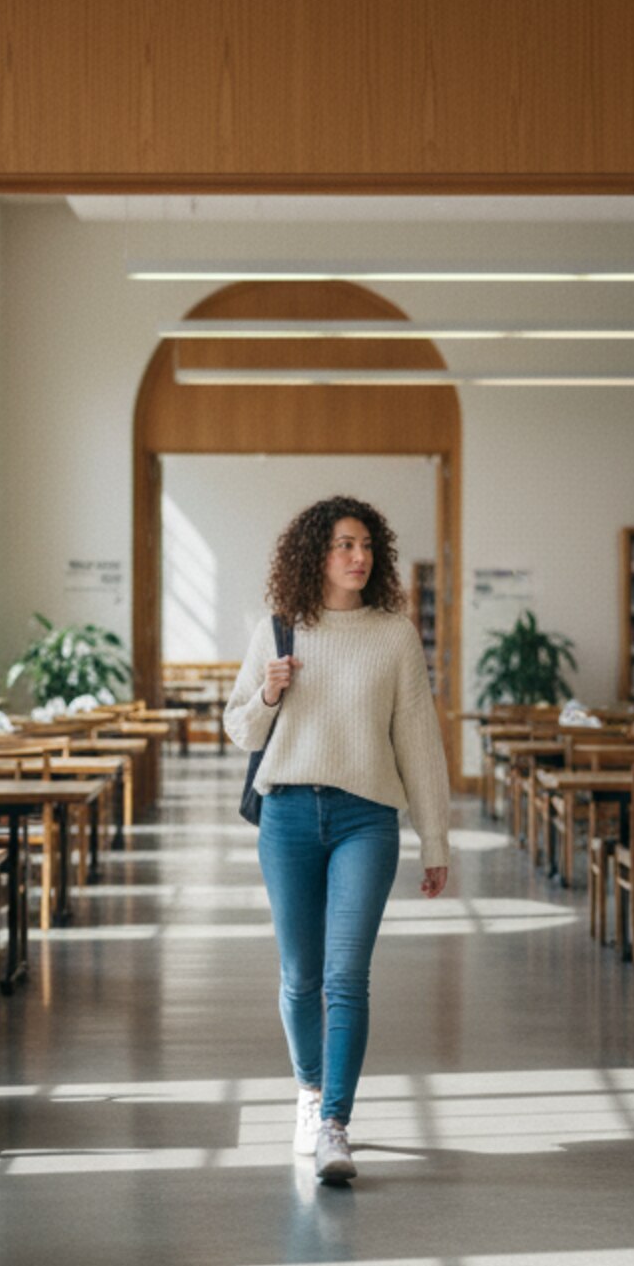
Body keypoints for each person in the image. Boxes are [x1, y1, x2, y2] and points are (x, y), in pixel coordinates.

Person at [224, 495, 452, 1185]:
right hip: (289, 815)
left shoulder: (394, 635)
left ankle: (335, 1126)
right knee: (301, 976)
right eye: (344, 545)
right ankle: (309, 1089)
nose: (359, 557)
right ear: (315, 556)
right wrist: (267, 694)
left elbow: (418, 740)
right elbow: (239, 731)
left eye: (366, 546)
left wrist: (433, 839)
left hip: (365, 821)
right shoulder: (278, 630)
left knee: (346, 975)